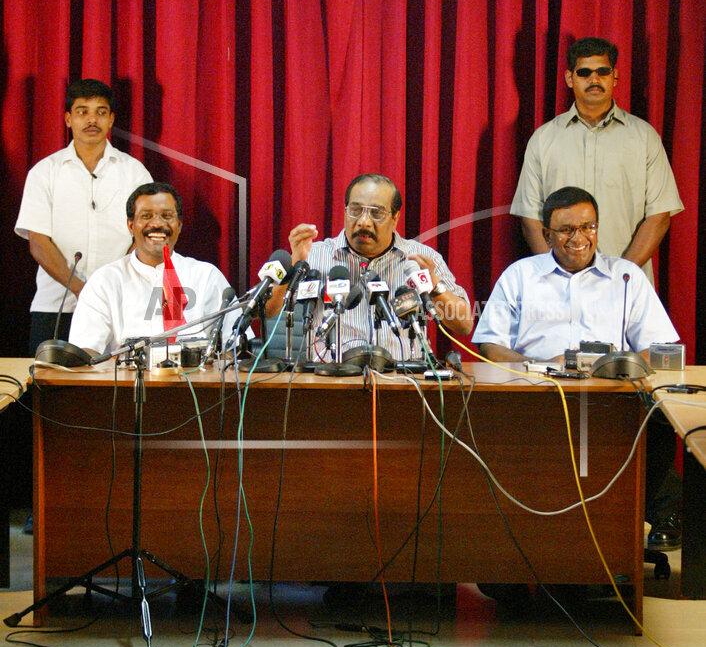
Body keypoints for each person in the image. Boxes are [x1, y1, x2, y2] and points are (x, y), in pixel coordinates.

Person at [474, 185, 682, 549]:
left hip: (611, 400)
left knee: (660, 418)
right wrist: (540, 366)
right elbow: (490, 346)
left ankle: (629, 530)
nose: (580, 238)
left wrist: (617, 366)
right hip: (535, 396)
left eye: (588, 227)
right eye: (567, 229)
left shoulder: (626, 277)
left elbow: (659, 348)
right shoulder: (520, 275)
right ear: (546, 234)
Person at [510, 37, 683, 283]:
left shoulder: (644, 137)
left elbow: (659, 216)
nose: (594, 80)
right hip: (560, 288)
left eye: (603, 71)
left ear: (615, 77)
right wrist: (559, 276)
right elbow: (530, 218)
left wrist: (618, 277)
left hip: (627, 286)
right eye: (584, 72)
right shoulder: (543, 139)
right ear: (570, 78)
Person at [270, 173, 472, 361]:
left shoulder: (422, 258)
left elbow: (464, 325)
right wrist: (294, 266)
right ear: (345, 210)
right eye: (355, 211)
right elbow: (269, 311)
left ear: (395, 218)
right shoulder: (313, 255)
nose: (364, 222)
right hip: (330, 380)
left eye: (376, 213)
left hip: (403, 382)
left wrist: (435, 287)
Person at [15, 79, 153, 353]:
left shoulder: (134, 172)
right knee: (49, 390)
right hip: (56, 307)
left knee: (115, 391)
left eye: (101, 112)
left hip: (120, 305)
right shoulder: (45, 172)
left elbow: (146, 234)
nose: (92, 120)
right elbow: (38, 241)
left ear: (111, 120)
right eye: (82, 111)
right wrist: (81, 288)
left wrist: (111, 286)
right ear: (68, 119)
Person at [69, 182, 241, 356]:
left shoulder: (206, 276)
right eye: (146, 216)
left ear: (179, 226)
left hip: (195, 380)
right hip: (124, 381)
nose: (157, 223)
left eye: (167, 216)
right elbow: (85, 350)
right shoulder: (105, 280)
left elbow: (234, 346)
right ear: (130, 226)